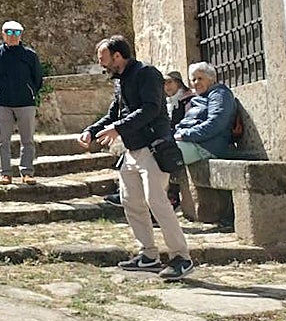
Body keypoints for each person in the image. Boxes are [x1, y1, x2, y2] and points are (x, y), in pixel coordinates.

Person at [78, 35, 193, 281]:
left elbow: (150, 109)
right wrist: (91, 130)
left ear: (117, 56)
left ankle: (181, 257)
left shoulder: (147, 73)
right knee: (130, 201)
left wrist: (118, 128)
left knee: (157, 202)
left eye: (104, 59)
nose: (102, 64)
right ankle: (148, 254)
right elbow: (112, 114)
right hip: (132, 152)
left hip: (153, 148)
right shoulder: (120, 81)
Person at [0, 21, 43, 185]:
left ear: (21, 35)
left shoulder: (30, 55)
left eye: (16, 33)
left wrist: (29, 91)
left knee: (27, 140)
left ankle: (27, 172)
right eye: (9, 32)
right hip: (2, 102)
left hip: (25, 102)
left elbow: (37, 79)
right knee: (3, 140)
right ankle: (5, 173)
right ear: (3, 34)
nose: (12, 36)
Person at [174, 62, 236, 164]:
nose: (196, 82)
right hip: (190, 141)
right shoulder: (199, 97)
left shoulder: (219, 94)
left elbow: (215, 124)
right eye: (193, 80)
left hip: (207, 146)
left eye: (200, 78)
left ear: (211, 78)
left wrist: (184, 135)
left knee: (163, 156)